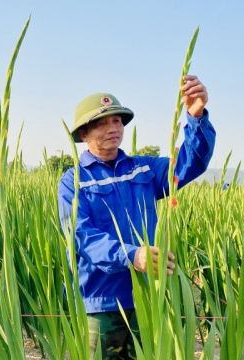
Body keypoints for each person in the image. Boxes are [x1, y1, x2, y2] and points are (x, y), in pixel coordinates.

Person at [57, 75, 215, 359]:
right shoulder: (74, 182)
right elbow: (81, 236)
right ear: (83, 134)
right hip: (100, 304)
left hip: (147, 296)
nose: (112, 128)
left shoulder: (144, 169)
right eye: (101, 123)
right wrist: (131, 255)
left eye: (117, 120)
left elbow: (190, 164)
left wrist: (196, 116)